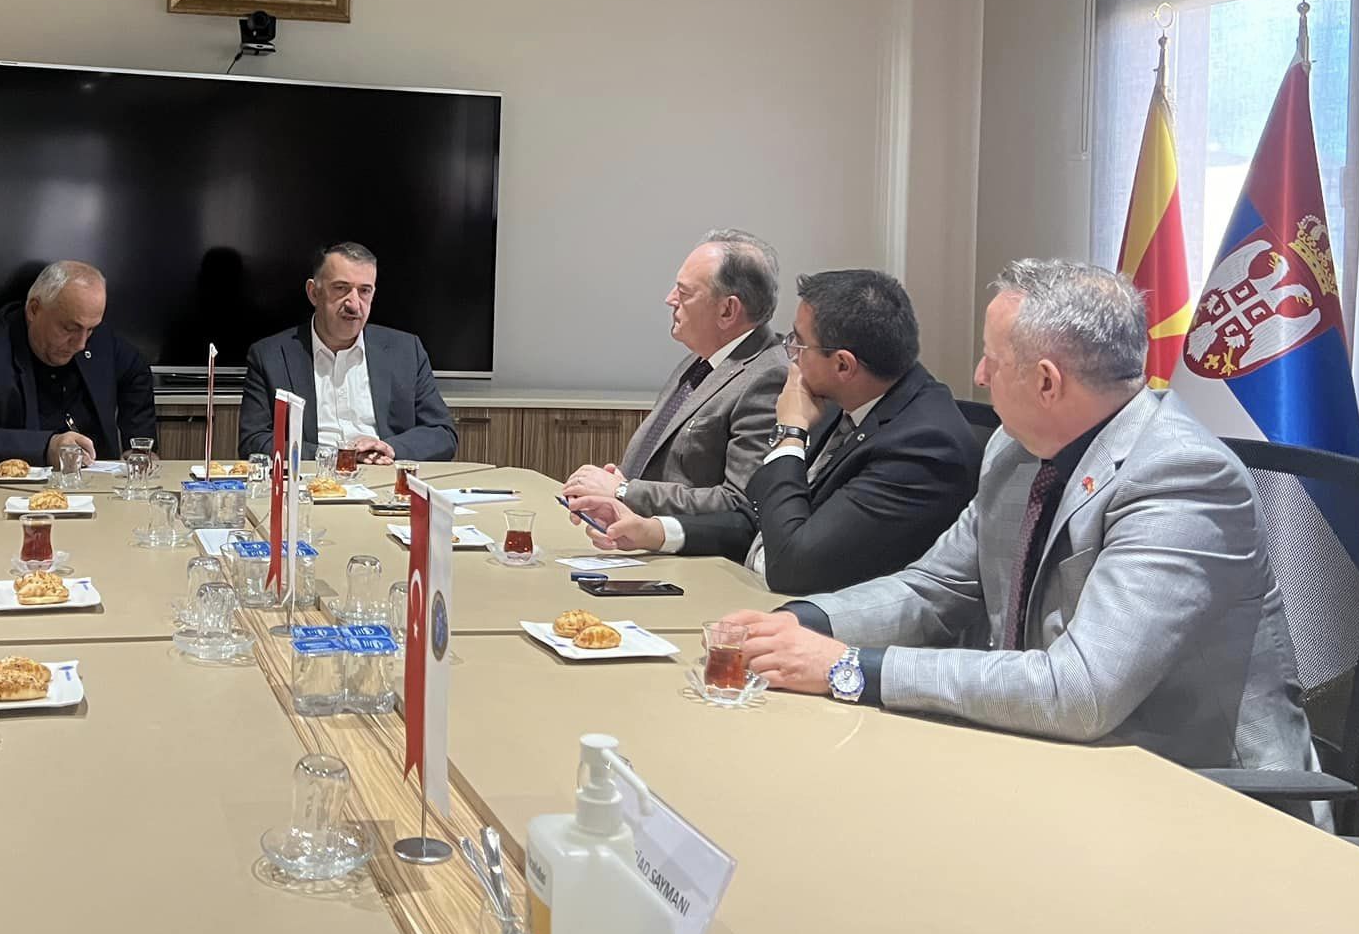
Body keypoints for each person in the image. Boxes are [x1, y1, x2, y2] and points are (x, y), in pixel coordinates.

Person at [721, 259, 1319, 783]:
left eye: (993, 359)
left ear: (1046, 382)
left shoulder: (1182, 478)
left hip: (1196, 793)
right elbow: (933, 588)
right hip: (1052, 758)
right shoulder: (1015, 451)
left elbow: (1081, 689)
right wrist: (799, 623)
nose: (979, 375)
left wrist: (848, 667)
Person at [570, 269, 980, 594]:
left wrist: (790, 434)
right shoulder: (842, 399)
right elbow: (758, 516)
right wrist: (654, 531)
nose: (789, 356)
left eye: (798, 344)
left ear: (843, 365)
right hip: (757, 594)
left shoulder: (922, 447)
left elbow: (795, 565)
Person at [561, 230, 787, 522]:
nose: (670, 299)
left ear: (727, 310)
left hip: (692, 549)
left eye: (684, 292)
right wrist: (611, 494)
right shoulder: (698, 360)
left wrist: (625, 492)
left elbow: (739, 502)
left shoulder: (768, 378)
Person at [238, 242, 457, 462]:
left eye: (364, 291)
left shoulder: (406, 351)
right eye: (341, 288)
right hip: (313, 476)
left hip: (384, 473)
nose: (354, 304)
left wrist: (389, 448)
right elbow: (254, 441)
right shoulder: (270, 356)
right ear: (313, 293)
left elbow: (442, 433)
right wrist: (338, 457)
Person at [0, 260, 156, 468]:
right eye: (69, 329)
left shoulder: (94, 337)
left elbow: (136, 372)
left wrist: (137, 446)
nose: (81, 344)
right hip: (12, 490)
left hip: (96, 486)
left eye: (91, 330)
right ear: (34, 310)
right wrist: (45, 448)